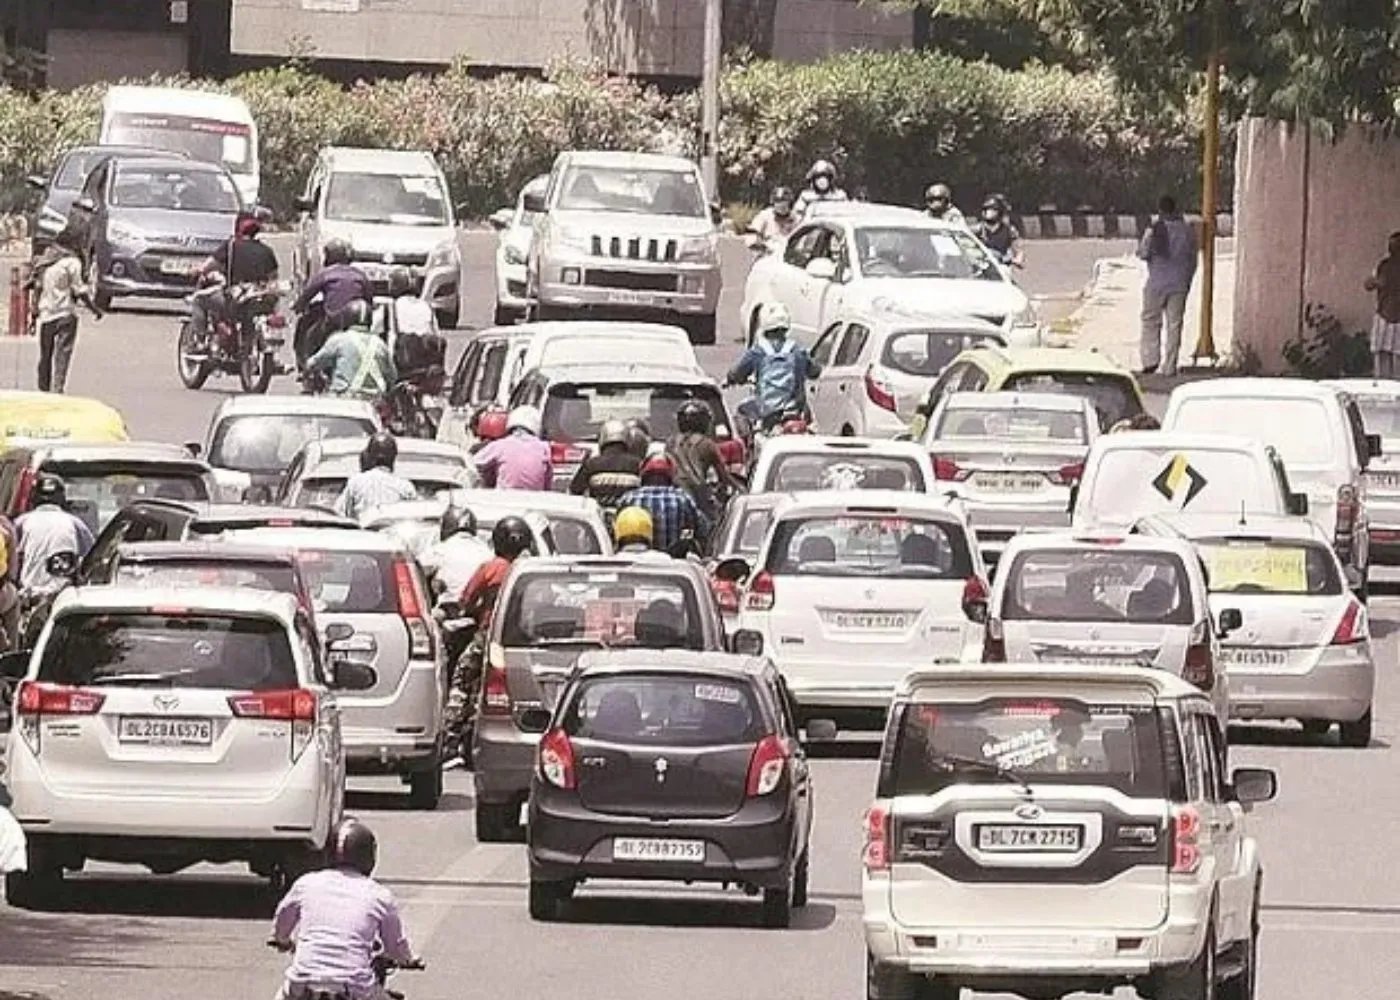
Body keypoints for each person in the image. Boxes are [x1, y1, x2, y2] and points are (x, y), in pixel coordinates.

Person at [269, 818, 421, 1000]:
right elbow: (395, 945)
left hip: (302, 983)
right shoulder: (379, 895)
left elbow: (283, 917)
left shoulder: (307, 883)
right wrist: (407, 959)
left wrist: (281, 940)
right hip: (355, 987)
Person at [27, 226, 100, 393]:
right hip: (65, 314)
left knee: (45, 356)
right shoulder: (71, 263)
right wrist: (94, 309)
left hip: (46, 316)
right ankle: (57, 389)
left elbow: (37, 290)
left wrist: (33, 317)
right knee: (62, 355)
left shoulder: (44, 263)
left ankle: (43, 389)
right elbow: (79, 290)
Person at [189, 215, 280, 351]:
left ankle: (200, 341)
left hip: (236, 299)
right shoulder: (267, 251)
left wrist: (196, 270)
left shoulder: (231, 246)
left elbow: (208, 266)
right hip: (260, 300)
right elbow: (273, 278)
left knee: (198, 299)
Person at [726, 302, 821, 428]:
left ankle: (748, 445)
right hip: (795, 410)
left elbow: (736, 373)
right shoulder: (797, 351)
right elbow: (815, 371)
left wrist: (731, 379)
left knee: (741, 412)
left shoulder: (758, 351)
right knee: (810, 423)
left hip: (766, 411)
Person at [1137, 195, 1198, 378]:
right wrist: (1187, 280)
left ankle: (1150, 361)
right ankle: (1170, 366)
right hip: (1179, 284)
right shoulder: (1187, 231)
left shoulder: (1155, 230)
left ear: (1161, 210)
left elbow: (1143, 253)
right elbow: (1192, 259)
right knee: (1174, 325)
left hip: (1156, 283)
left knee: (1150, 322)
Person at [293, 238, 373, 369]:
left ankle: (307, 367)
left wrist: (298, 306)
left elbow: (308, 293)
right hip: (358, 321)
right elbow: (369, 299)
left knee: (308, 335)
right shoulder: (360, 275)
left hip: (332, 322)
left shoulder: (326, 274)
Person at [14, 475, 94, 592]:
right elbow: (91, 558)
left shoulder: (22, 522)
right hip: (64, 595)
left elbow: (11, 557)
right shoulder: (74, 523)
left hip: (28, 594)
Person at [666, 400, 742, 522]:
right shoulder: (707, 444)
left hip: (673, 493)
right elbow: (724, 476)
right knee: (714, 525)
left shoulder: (670, 442)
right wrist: (742, 490)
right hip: (697, 494)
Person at [305, 300, 398, 401]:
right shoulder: (380, 344)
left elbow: (312, 364)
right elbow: (392, 376)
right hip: (375, 402)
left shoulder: (338, 340)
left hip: (344, 400)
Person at [618, 454, 710, 555]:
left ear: (644, 475)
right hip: (675, 567)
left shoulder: (628, 499)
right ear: (670, 476)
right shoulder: (683, 499)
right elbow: (701, 531)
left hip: (636, 565)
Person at [459, 516, 532, 629]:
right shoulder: (530, 568)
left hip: (490, 631)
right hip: (525, 632)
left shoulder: (491, 568)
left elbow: (467, 600)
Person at [335, 432, 418, 521]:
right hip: (393, 533)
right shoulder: (405, 487)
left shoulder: (356, 482)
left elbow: (340, 514)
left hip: (362, 533)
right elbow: (414, 520)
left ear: (369, 456)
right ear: (393, 458)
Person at [473, 405, 552, 490]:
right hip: (536, 500)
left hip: (505, 499)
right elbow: (548, 482)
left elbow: (473, 463)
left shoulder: (501, 445)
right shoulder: (545, 448)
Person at [569, 418, 640, 508]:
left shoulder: (591, 464)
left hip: (598, 517)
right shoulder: (637, 464)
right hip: (628, 517)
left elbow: (574, 492)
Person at [1366, 232, 1400, 378]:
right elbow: (1368, 284)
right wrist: (1375, 282)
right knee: (1381, 355)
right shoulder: (1383, 265)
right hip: (1383, 314)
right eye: (1391, 245)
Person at [973, 195, 1024, 269]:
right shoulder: (977, 229)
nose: (988, 213)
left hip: (1001, 266)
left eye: (993, 210)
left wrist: (1018, 259)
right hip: (980, 265)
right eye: (986, 210)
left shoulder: (1009, 230)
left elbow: (1018, 248)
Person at [746, 186, 797, 252]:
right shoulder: (765, 215)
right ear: (773, 202)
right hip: (767, 252)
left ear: (789, 202)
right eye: (777, 201)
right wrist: (757, 243)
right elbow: (752, 233)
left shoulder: (795, 218)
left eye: (784, 200)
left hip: (787, 254)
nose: (781, 204)